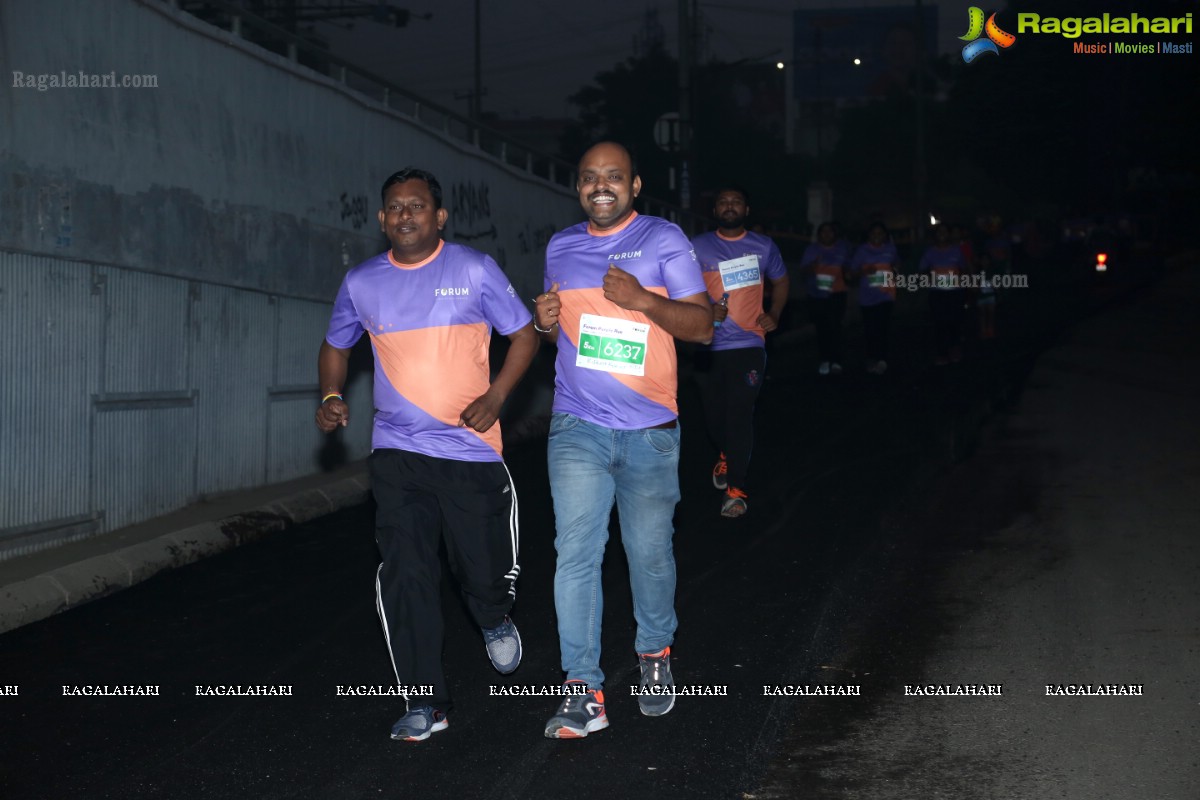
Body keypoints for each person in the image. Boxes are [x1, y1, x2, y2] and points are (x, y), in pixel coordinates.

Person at [316, 167, 537, 742]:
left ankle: (492, 616)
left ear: (439, 217)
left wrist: (496, 396)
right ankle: (424, 700)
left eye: (416, 206)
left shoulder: (472, 269)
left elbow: (526, 334)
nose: (404, 215)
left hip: (470, 454)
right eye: (394, 207)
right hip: (398, 455)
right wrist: (332, 395)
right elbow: (336, 345)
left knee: (480, 570)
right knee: (406, 572)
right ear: (381, 219)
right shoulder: (363, 282)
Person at [533, 142, 711, 738]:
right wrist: (545, 323)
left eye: (613, 177)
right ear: (578, 187)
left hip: (650, 433)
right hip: (577, 425)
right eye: (588, 178)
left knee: (649, 557)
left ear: (635, 185)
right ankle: (582, 690)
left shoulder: (664, 240)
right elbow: (565, 333)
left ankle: (655, 654)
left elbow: (703, 326)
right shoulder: (561, 246)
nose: (600, 186)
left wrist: (641, 299)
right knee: (575, 556)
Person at [692, 185, 789, 518]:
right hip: (707, 345)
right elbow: (680, 288)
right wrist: (705, 308)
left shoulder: (763, 247)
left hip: (749, 344)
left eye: (735, 202)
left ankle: (736, 489)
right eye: (722, 202)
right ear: (714, 209)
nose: (729, 206)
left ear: (746, 210)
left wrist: (774, 313)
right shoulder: (698, 246)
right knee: (713, 416)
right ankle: (725, 452)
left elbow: (782, 280)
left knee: (739, 414)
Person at [848, 222, 900, 375]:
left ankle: (882, 359)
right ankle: (872, 358)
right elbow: (852, 273)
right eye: (873, 234)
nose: (877, 237)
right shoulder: (862, 251)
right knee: (871, 329)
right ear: (869, 235)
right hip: (868, 297)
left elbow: (897, 262)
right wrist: (865, 271)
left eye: (880, 234)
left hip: (886, 294)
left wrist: (895, 270)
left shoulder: (891, 249)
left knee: (883, 328)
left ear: (885, 236)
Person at [800, 221, 851, 375]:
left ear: (835, 234)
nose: (827, 234)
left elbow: (850, 269)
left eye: (830, 231)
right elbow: (803, 271)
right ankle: (824, 360)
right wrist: (813, 266)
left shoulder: (843, 248)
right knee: (822, 328)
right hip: (817, 295)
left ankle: (836, 361)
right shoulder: (812, 250)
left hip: (837, 294)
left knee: (835, 327)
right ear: (819, 234)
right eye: (823, 231)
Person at [918, 223, 968, 365]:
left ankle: (955, 348)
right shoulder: (929, 252)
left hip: (955, 292)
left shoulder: (956, 251)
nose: (942, 233)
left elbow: (964, 268)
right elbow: (922, 270)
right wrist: (927, 278)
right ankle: (941, 352)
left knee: (955, 321)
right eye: (939, 231)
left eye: (945, 231)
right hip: (937, 293)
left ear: (949, 234)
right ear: (935, 235)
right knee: (939, 322)